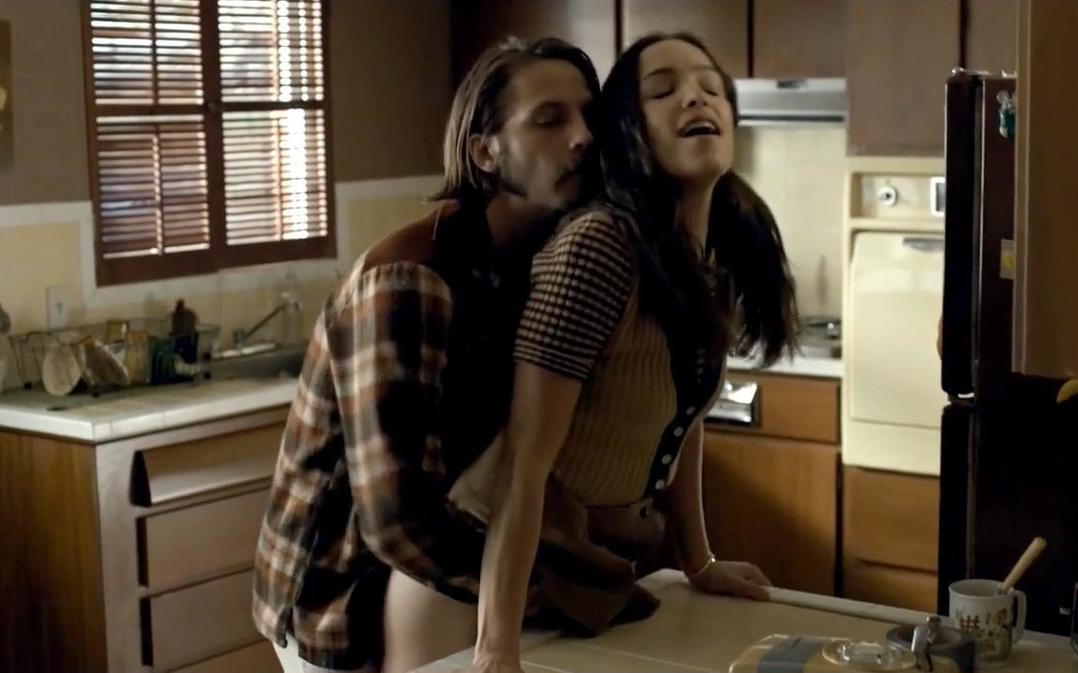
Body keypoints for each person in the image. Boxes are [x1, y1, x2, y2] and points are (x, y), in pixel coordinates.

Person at [450, 32, 801, 673]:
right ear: (626, 131)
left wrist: (700, 561)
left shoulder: (711, 251)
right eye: (663, 91)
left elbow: (683, 419)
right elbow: (523, 463)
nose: (695, 97)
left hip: (588, 568)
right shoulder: (599, 248)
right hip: (482, 582)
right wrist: (496, 648)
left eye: (711, 86)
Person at [251, 37, 601, 673]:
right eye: (550, 120)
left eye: (589, 116)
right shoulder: (412, 278)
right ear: (486, 151)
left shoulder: (536, 263)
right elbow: (397, 518)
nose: (583, 137)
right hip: (336, 602)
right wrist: (543, 587)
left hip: (423, 591)